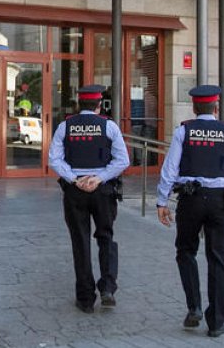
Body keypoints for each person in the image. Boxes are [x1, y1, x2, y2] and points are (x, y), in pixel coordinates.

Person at [156, 85, 224, 338]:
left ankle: (194, 308)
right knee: (218, 259)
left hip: (190, 200)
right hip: (219, 201)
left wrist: (162, 200)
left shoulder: (184, 131)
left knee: (185, 252)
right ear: (216, 107)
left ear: (194, 107)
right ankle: (216, 323)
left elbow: (170, 168)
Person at [47, 84, 130, 313]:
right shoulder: (109, 126)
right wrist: (99, 178)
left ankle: (85, 299)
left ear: (78, 103)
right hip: (103, 191)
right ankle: (108, 288)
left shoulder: (65, 126)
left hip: (75, 192)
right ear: (99, 104)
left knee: (80, 241)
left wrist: (76, 179)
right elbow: (122, 161)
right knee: (106, 237)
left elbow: (54, 160)